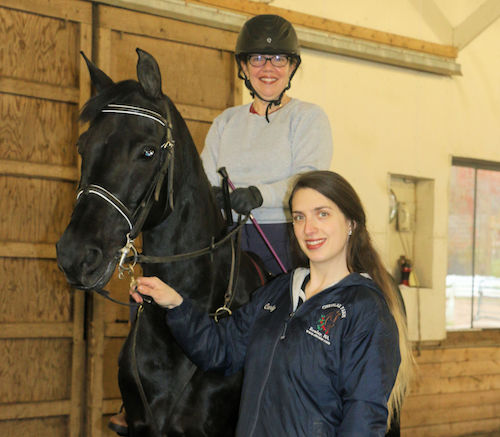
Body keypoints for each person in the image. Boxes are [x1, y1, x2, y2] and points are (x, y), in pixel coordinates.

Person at [131, 170, 414, 436]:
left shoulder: (364, 308)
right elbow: (221, 350)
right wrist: (175, 303)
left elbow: (363, 416)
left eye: (322, 214)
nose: (309, 228)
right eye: (299, 217)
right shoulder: (278, 292)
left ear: (351, 223)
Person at [202, 14, 333, 275]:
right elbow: (205, 175)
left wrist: (259, 195)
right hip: (226, 234)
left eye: (279, 59)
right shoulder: (225, 121)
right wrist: (213, 195)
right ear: (244, 66)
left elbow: (308, 180)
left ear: (292, 67)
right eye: (258, 58)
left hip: (283, 234)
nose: (268, 68)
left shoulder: (308, 117)